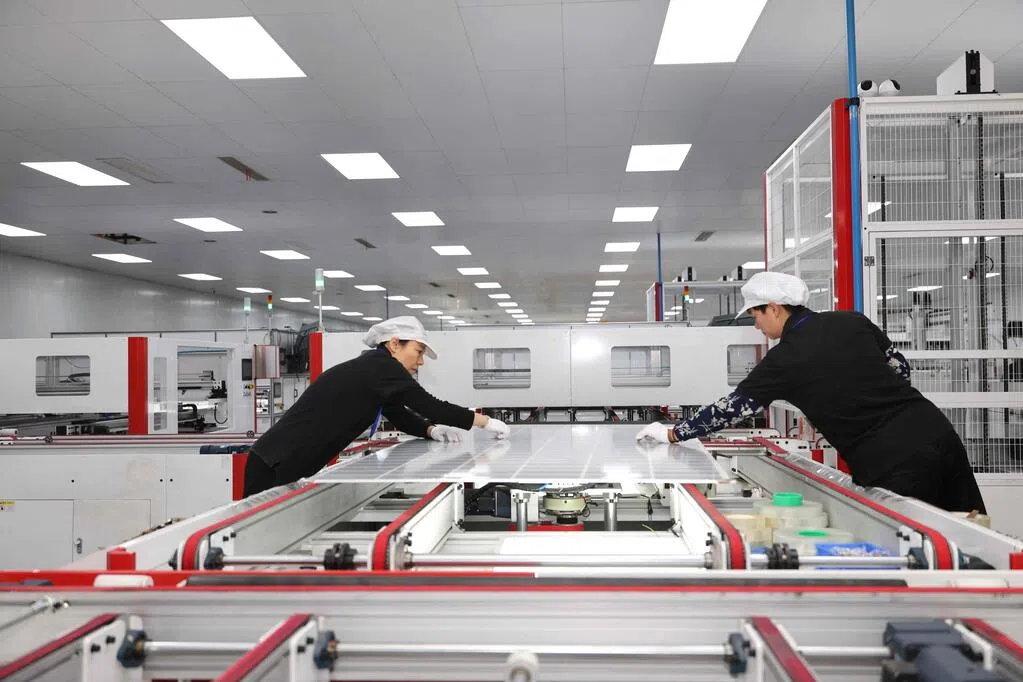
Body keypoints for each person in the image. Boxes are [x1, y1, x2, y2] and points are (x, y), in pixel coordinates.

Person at [636, 271, 985, 514]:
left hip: (891, 459)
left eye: (756, 315)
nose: (756, 324)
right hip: (936, 431)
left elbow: (731, 408)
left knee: (917, 543)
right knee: (972, 532)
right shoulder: (852, 320)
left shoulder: (785, 359)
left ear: (774, 308)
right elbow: (899, 368)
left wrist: (672, 433)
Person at [243, 316, 510, 496]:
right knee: (254, 542)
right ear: (394, 344)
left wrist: (430, 430)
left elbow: (397, 412)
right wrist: (484, 422)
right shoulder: (381, 368)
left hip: (280, 461)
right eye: (418, 352)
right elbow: (430, 405)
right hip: (274, 463)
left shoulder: (374, 369)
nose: (420, 361)